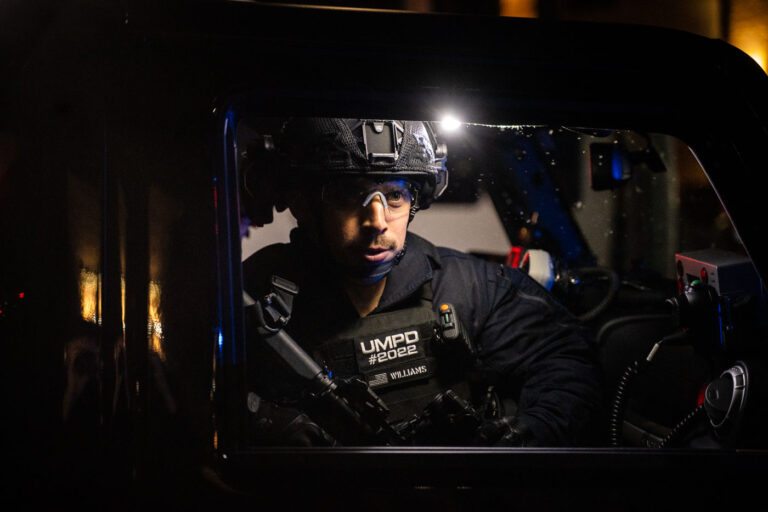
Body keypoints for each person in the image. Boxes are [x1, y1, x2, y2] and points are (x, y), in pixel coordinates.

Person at [240, 118, 602, 447]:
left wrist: (526, 434)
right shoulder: (247, 297)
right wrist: (265, 424)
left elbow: (567, 358)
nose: (377, 221)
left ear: (416, 200)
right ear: (302, 203)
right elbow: (195, 385)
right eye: (350, 193)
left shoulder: (470, 286)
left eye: (395, 195)